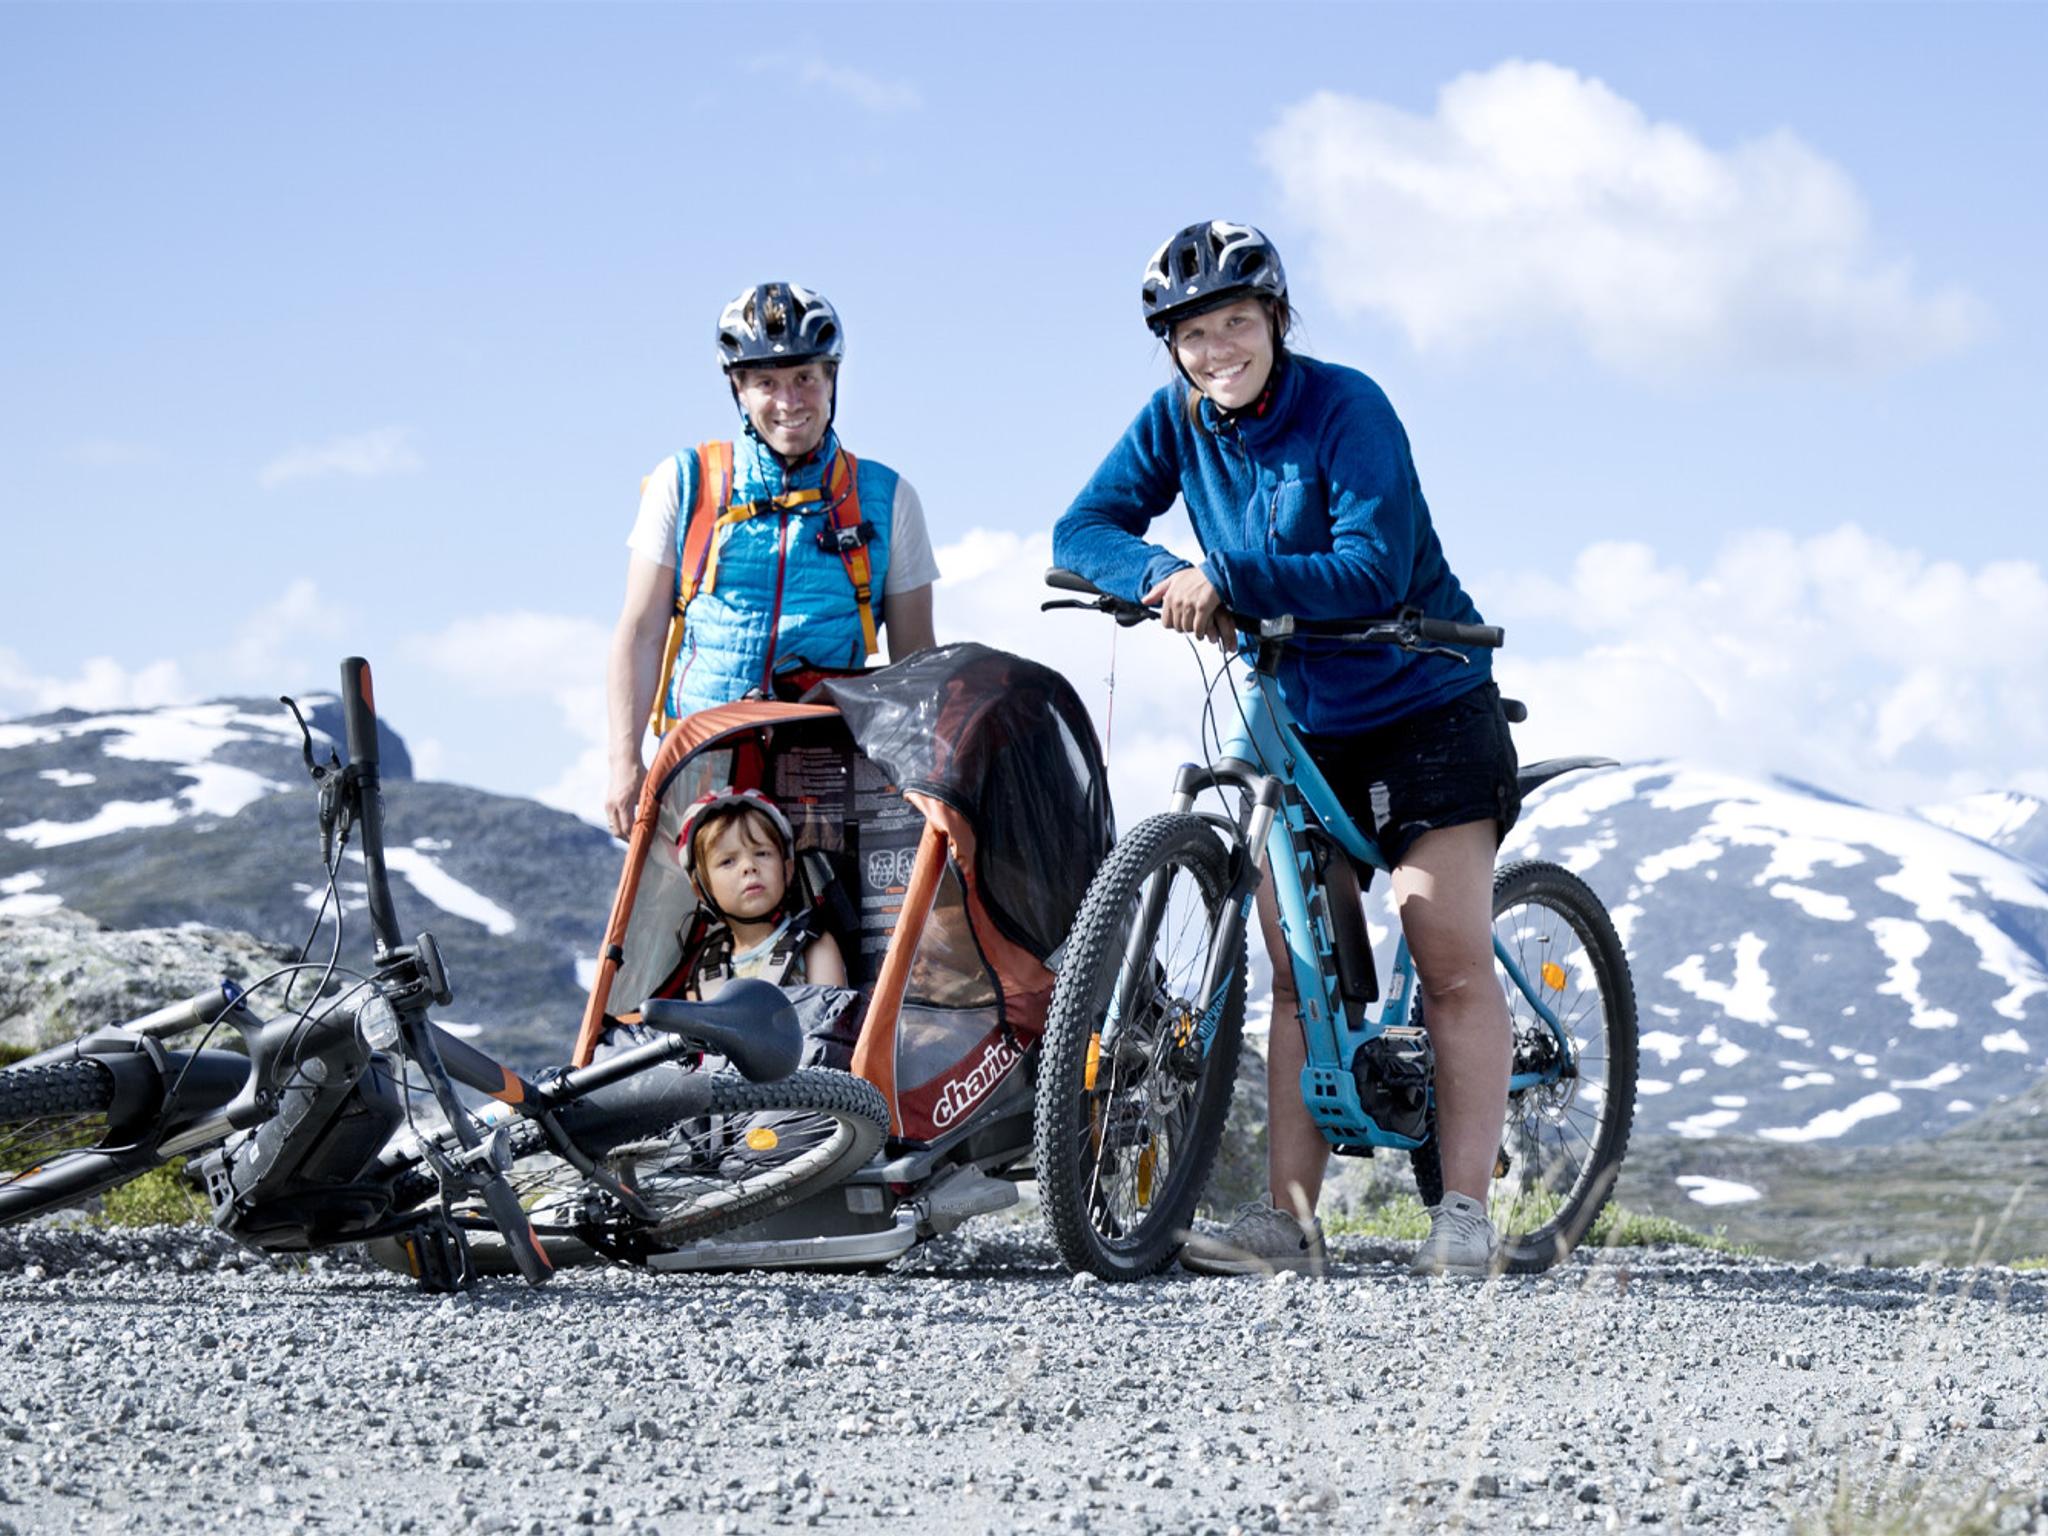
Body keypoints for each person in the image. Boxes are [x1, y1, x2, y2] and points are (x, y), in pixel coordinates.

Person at [1052, 221, 1520, 1277]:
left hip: (1424, 707)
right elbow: (1078, 531)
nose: (1216, 349)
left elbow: (1369, 564)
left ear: (1275, 318)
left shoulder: (1347, 406)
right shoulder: (1177, 420)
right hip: (1299, 719)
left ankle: (1462, 1213)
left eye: (1234, 322)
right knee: (1294, 965)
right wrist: (1159, 574)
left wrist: (1230, 575)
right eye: (1192, 335)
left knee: (1440, 956)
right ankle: (1289, 1221)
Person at [604, 282, 939, 839]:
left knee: (844, 927)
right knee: (672, 927)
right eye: (767, 383)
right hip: (701, 764)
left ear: (832, 378)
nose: (790, 401)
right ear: (739, 389)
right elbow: (639, 633)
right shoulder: (685, 484)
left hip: (829, 770)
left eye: (806, 377)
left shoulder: (888, 498)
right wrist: (623, 763)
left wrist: (931, 783)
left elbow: (918, 664)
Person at [670, 789, 845, 999]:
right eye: (728, 861)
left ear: (787, 871)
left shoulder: (814, 947)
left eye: (762, 853)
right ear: (702, 889)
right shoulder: (703, 971)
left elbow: (831, 1022)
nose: (749, 866)